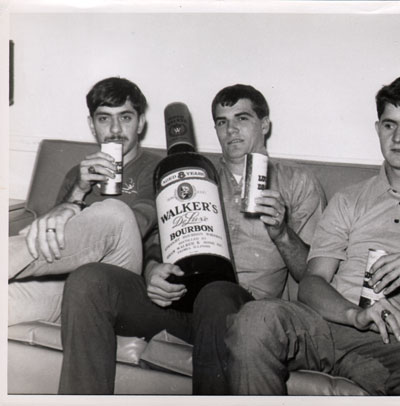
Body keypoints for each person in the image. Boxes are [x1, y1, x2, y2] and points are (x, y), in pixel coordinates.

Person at [224, 76, 400, 396]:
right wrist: (356, 314)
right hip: (324, 324)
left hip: (396, 340)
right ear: (378, 129)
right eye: (389, 125)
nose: (399, 137)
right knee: (255, 317)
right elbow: (311, 282)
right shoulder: (349, 200)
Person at [57, 84, 326, 394]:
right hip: (181, 303)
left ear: (264, 124)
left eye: (242, 118)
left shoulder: (298, 183)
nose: (231, 130)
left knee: (217, 293)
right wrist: (152, 269)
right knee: (90, 280)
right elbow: (152, 243)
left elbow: (314, 276)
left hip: (244, 313)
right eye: (222, 122)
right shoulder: (195, 173)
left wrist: (282, 233)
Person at [8, 77, 160, 325]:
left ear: (140, 122)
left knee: (116, 213)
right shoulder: (78, 174)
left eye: (125, 117)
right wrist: (78, 191)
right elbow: (52, 240)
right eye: (104, 118)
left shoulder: (157, 168)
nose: (114, 129)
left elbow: (139, 223)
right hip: (75, 286)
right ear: (92, 125)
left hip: (125, 280)